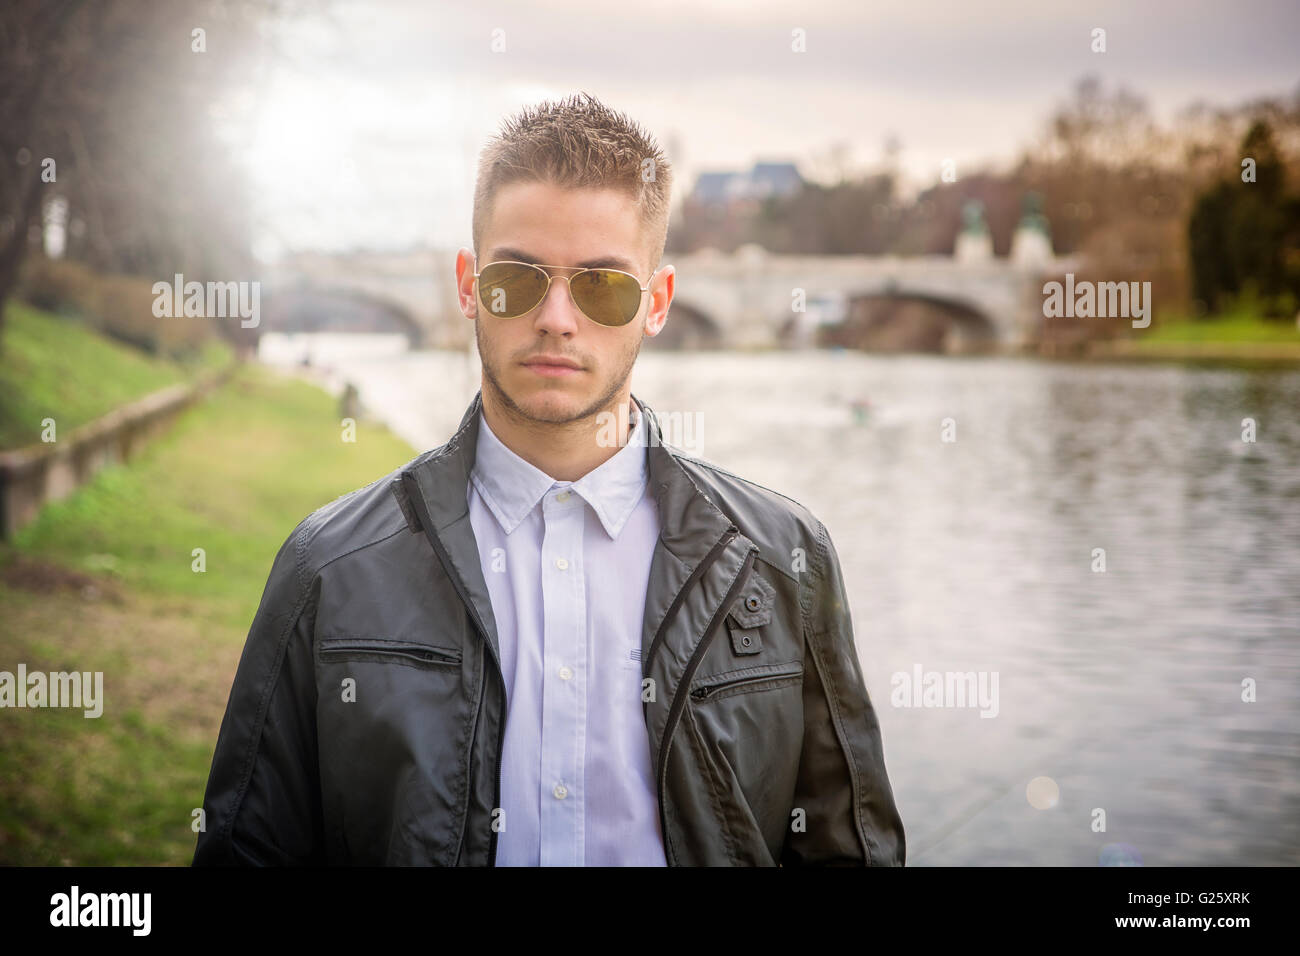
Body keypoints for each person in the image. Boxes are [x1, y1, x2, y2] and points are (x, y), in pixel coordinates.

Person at [193, 92, 904, 867]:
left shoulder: (785, 558)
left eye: (602, 286)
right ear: (468, 286)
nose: (558, 318)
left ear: (657, 303)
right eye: (518, 280)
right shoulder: (327, 568)